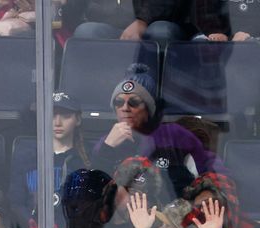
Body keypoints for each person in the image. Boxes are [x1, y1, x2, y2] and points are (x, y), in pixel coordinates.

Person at [91, 63, 226, 198]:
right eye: (118, 102)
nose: (125, 108)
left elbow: (212, 175)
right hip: (122, 215)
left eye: (134, 102)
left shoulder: (173, 135)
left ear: (149, 107)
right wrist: (107, 148)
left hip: (168, 213)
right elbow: (95, 189)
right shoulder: (108, 141)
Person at [10, 92, 90, 228]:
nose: (57, 122)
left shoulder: (85, 160)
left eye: (66, 116)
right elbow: (15, 201)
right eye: (52, 115)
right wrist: (31, 224)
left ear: (78, 120)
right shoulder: (26, 156)